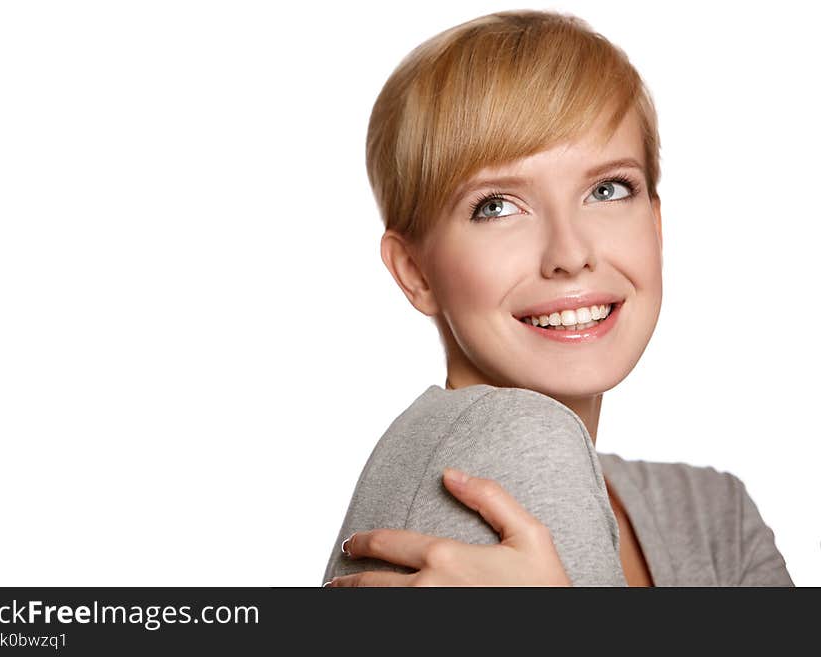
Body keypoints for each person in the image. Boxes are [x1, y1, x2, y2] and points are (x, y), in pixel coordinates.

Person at [322, 9, 793, 587]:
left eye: (607, 189)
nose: (570, 253)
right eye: (496, 205)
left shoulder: (710, 512)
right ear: (414, 271)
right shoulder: (515, 439)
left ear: (657, 223)